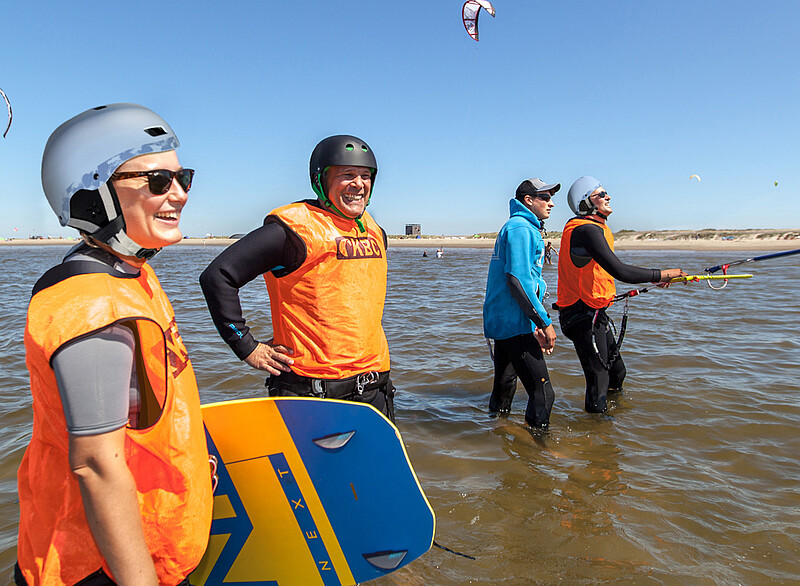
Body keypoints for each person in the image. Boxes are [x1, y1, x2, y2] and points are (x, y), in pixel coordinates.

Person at [16, 104, 213, 585]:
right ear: (92, 197)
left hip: (149, 547)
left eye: (182, 177)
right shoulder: (91, 302)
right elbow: (97, 467)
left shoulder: (131, 276)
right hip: (96, 568)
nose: (181, 194)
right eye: (158, 181)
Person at [200, 135, 395, 420]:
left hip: (374, 389)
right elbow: (218, 276)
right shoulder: (292, 231)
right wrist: (247, 346)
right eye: (347, 175)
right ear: (321, 180)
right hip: (313, 393)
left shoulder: (374, 230)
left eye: (365, 176)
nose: (358, 184)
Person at [555, 176, 687, 414]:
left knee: (617, 372)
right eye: (600, 194)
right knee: (599, 379)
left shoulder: (594, 229)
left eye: (606, 193)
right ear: (586, 204)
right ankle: (597, 439)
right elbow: (621, 270)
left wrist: (655, 279)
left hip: (594, 313)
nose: (608, 197)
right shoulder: (585, 230)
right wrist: (662, 274)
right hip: (580, 315)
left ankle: (611, 420)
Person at [483, 178, 559, 429]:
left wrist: (531, 319)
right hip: (514, 322)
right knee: (544, 393)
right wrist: (543, 322)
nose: (552, 203)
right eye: (546, 197)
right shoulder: (521, 229)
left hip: (506, 321)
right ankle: (537, 455)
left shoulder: (518, 226)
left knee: (505, 386)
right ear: (528, 200)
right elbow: (518, 280)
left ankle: (497, 438)